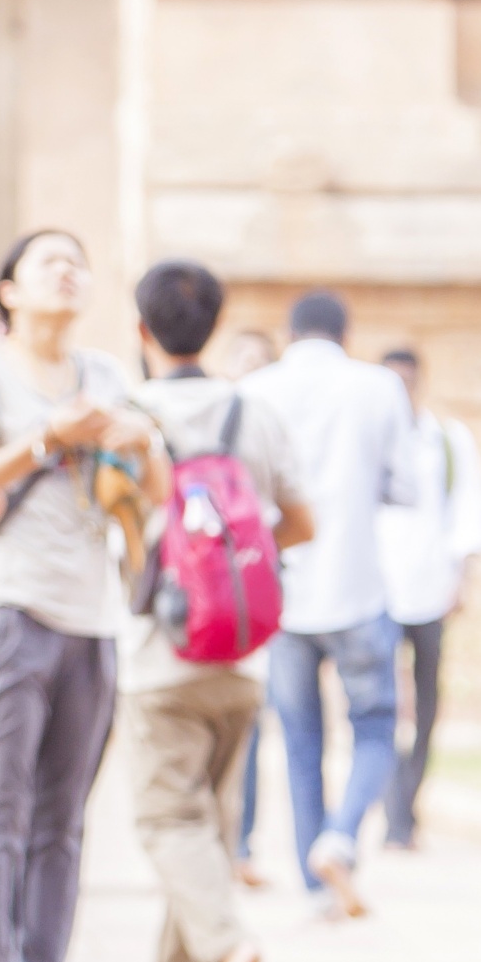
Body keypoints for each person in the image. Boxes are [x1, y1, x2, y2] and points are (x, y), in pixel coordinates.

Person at [0, 228, 166, 962]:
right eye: (49, 263)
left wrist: (142, 441)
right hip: (7, 609)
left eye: (78, 262)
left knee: (62, 813)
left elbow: (153, 489)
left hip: (90, 616)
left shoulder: (104, 373)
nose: (68, 273)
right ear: (9, 291)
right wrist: (49, 437)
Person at [123, 262, 311, 962]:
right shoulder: (252, 414)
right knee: (204, 823)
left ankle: (229, 947)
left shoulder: (126, 414)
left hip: (157, 655)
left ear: (141, 332)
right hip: (241, 652)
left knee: (166, 821)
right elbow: (302, 523)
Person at [242, 289, 418, 917]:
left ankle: (316, 888)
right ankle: (340, 838)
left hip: (285, 595)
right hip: (357, 588)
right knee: (374, 727)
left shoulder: (258, 390)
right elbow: (405, 485)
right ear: (345, 334)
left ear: (291, 334)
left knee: (299, 740)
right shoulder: (377, 387)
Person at [377, 346, 481, 849]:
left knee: (426, 703)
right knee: (378, 706)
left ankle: (406, 803)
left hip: (430, 591)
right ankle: (393, 812)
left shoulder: (446, 440)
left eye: (408, 380)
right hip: (377, 595)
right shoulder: (367, 441)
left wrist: (462, 579)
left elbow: (467, 510)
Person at [217, 329, 279, 887]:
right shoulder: (205, 416)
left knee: (248, 733)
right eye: (242, 360)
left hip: (249, 610)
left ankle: (238, 846)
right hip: (200, 604)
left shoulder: (264, 423)